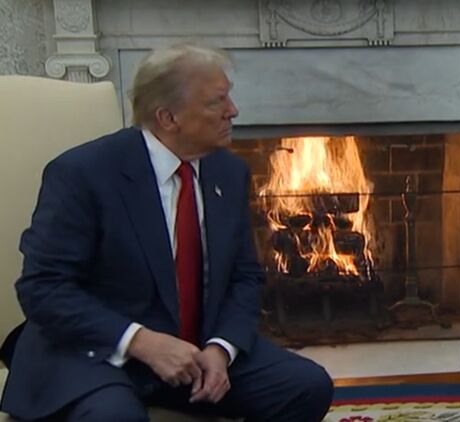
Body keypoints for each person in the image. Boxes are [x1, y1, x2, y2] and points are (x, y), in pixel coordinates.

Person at [0, 43, 333, 421]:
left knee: (306, 386)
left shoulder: (228, 172)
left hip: (194, 351)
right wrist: (141, 342)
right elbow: (43, 288)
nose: (233, 110)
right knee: (115, 417)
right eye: (217, 101)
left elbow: (245, 276)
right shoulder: (83, 173)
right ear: (168, 117)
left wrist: (221, 348)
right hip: (96, 350)